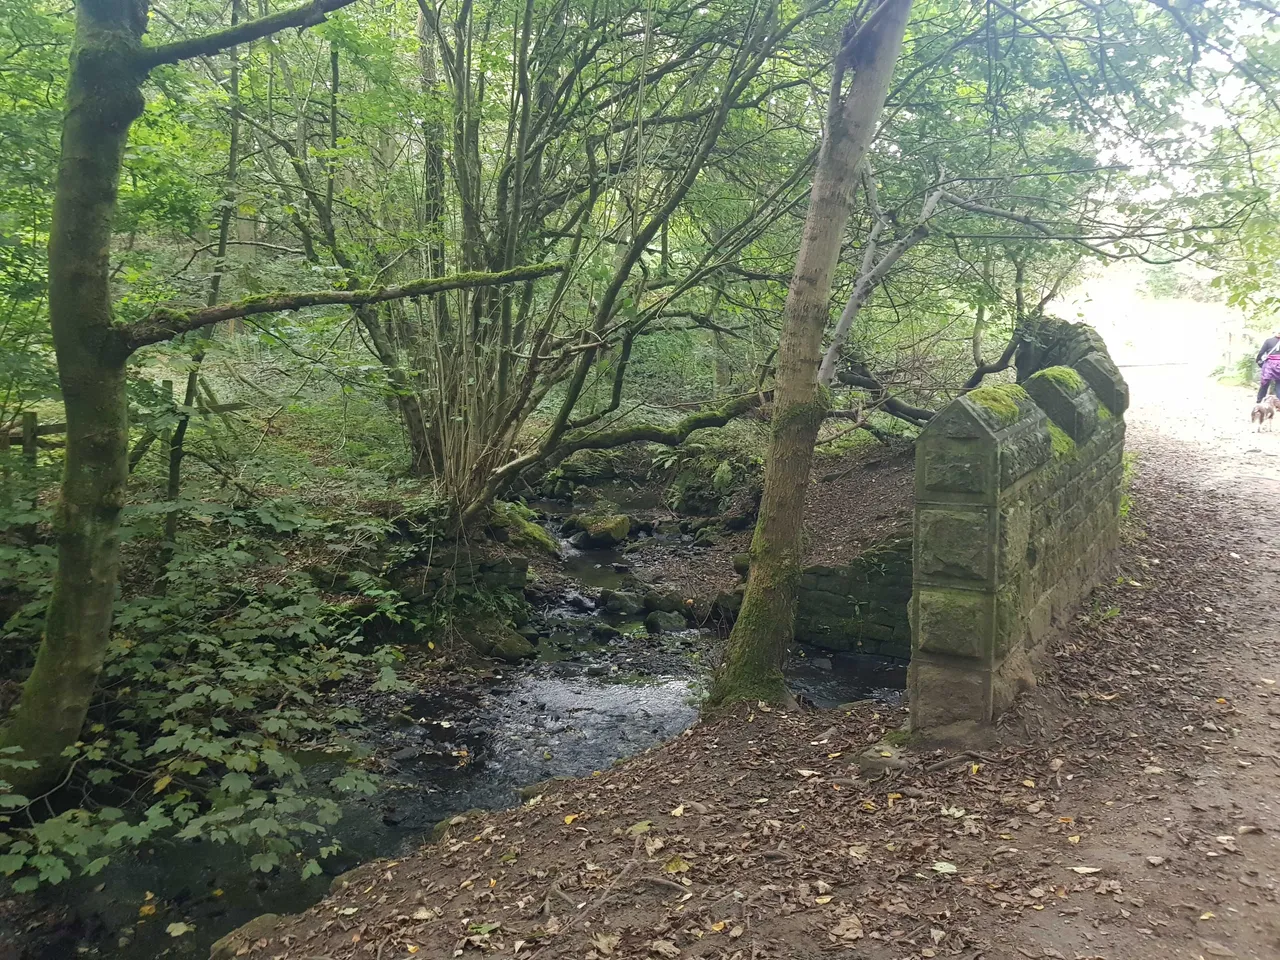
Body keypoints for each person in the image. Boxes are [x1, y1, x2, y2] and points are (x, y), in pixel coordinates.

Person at [1256, 330, 1280, 402]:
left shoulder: (1269, 341)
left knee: (1265, 383)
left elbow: (1261, 353)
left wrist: (1258, 361)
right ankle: (1278, 403)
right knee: (1279, 383)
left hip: (1270, 365)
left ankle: (1260, 400)